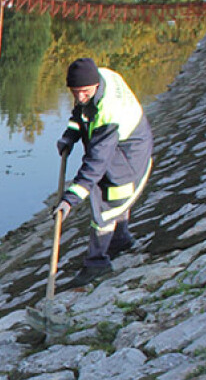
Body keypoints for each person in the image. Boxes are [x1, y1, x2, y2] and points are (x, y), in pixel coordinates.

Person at [54, 57, 154, 289]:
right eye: (75, 92)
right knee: (112, 199)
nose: (80, 97)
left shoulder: (109, 113)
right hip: (121, 142)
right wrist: (70, 136)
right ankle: (120, 240)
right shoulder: (100, 77)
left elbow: (96, 163)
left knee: (107, 204)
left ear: (95, 86)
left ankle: (97, 264)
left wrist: (70, 199)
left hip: (130, 151)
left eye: (84, 92)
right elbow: (82, 113)